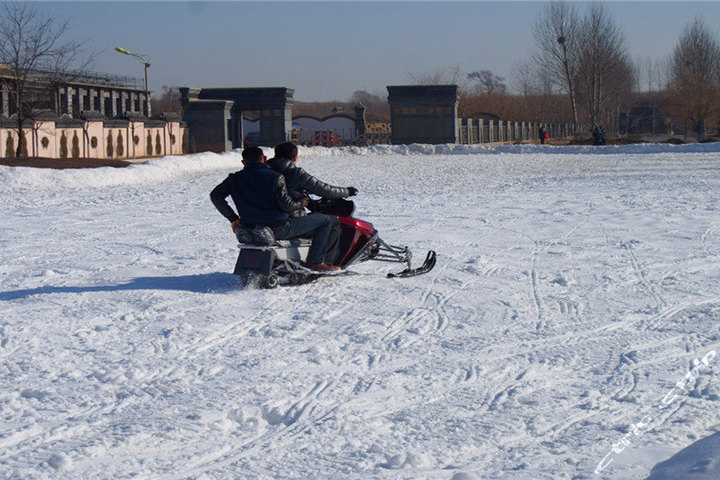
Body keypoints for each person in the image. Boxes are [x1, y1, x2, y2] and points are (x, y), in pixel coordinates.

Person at [210, 146, 339, 272]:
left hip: (248, 227)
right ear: (264, 159)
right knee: (325, 221)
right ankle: (316, 262)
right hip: (278, 228)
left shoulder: (234, 179)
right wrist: (301, 203)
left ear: (243, 162)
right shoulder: (275, 177)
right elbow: (286, 206)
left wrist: (233, 218)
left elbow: (215, 196)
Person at [268, 142, 357, 265]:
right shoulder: (295, 173)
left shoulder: (266, 172)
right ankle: (323, 262)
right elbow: (323, 189)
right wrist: (347, 191)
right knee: (332, 222)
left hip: (266, 220)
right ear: (295, 158)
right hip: (289, 220)